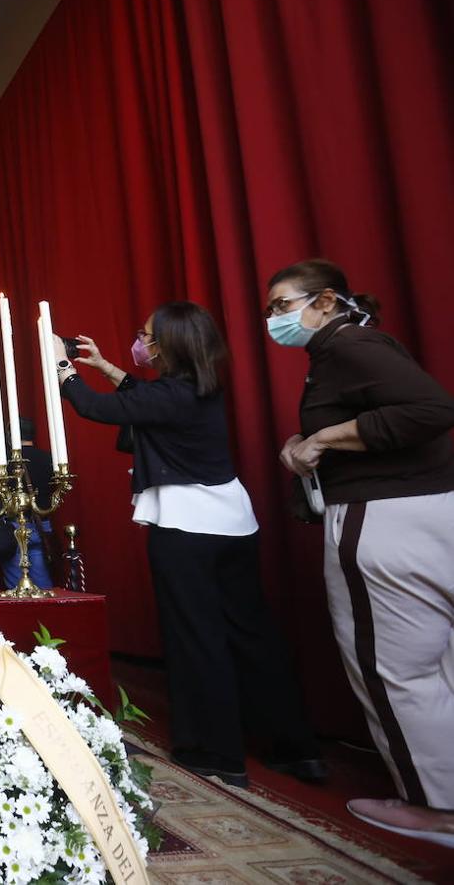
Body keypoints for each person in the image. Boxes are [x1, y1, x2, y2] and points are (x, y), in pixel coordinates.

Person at [55, 301, 320, 788]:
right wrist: (108, 368)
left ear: (170, 343)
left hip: (186, 528)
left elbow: (100, 409)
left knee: (196, 637)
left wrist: (61, 367)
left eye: (148, 335)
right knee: (251, 633)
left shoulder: (171, 395)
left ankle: (215, 751)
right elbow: (145, 402)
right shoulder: (197, 387)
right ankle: (293, 748)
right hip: (232, 523)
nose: (143, 342)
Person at [265, 258, 454, 845]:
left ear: (324, 302)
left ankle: (436, 809)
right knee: (436, 664)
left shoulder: (347, 346)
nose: (272, 318)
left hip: (383, 521)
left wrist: (322, 438)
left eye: (281, 305)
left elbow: (431, 410)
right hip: (423, 512)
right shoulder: (347, 348)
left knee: (393, 669)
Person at [2, 417, 54, 590]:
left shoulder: (7, 461)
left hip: (15, 525)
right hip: (41, 521)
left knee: (16, 582)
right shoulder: (47, 457)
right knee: (41, 577)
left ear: (11, 436)